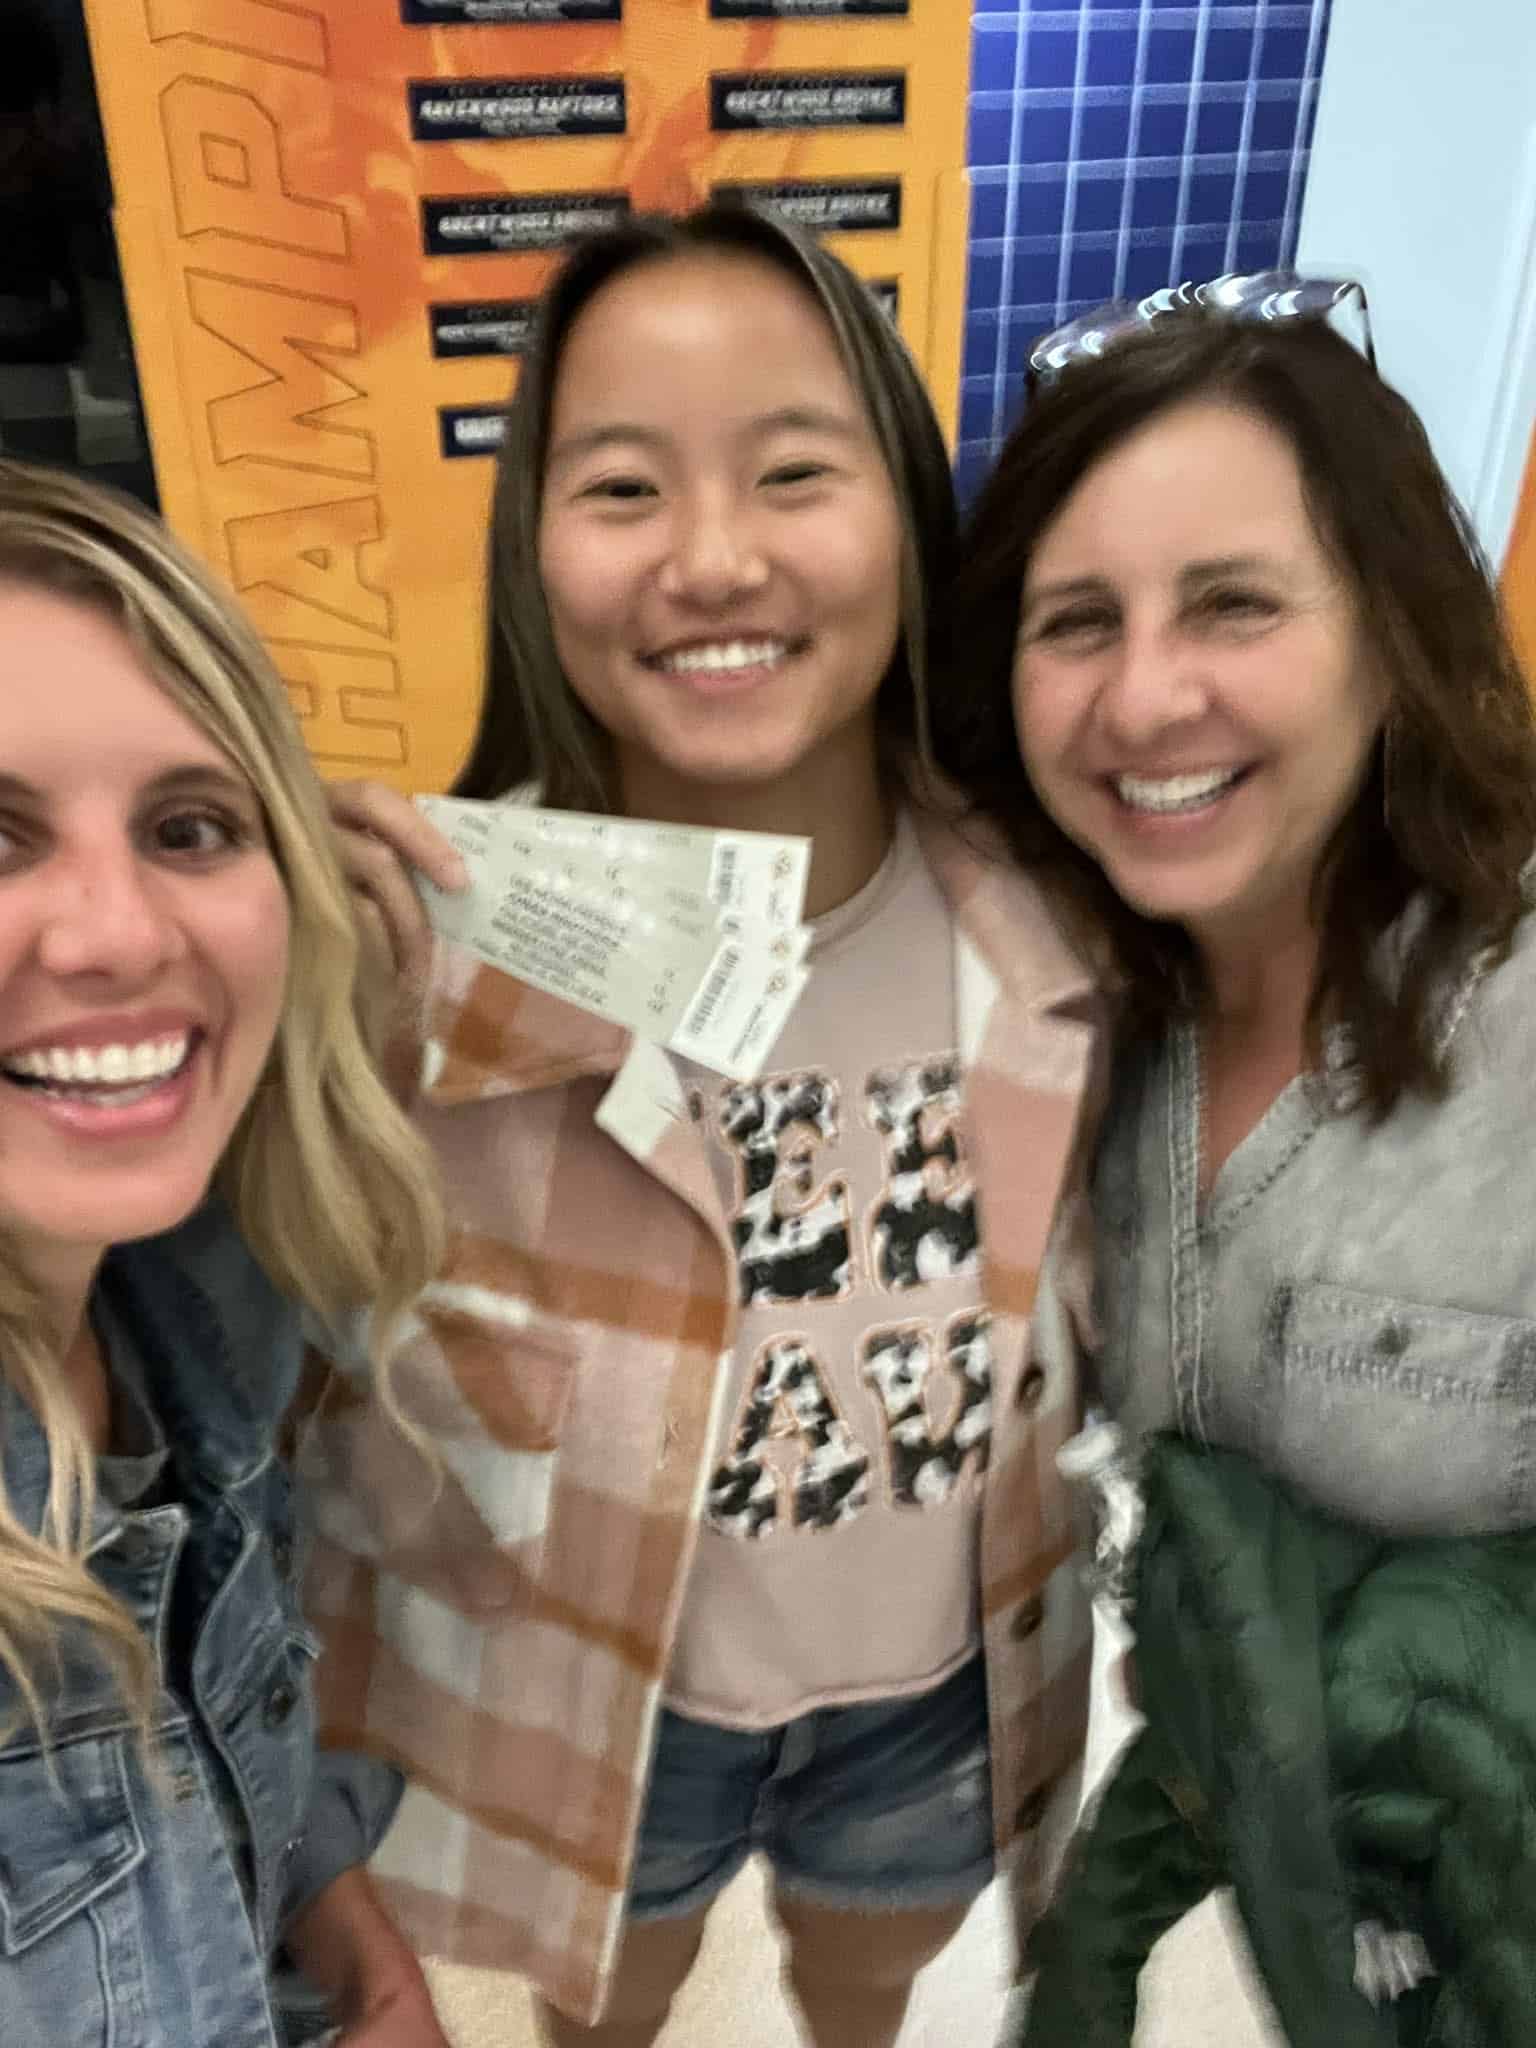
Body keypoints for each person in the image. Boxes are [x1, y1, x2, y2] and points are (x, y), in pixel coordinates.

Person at [306, 201, 1105, 2048]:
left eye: (795, 472)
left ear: (906, 515)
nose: (715, 560)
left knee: (868, 1985)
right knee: (609, 2010)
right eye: (622, 489)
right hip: (601, 1696)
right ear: (533, 548)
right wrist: (259, 948)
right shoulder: (419, 953)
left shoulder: (1065, 924)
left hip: (937, 1686)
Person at [931, 281, 1536, 2032]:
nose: (1143, 697)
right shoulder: (1061, 1010)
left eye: (1233, 603)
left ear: (1391, 631)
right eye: (1075, 622)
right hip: (1307, 1887)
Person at [0, 459, 452, 2047]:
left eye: (190, 827)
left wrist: (347, 1934)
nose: (122, 933)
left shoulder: (180, 1311)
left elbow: (191, 1749)